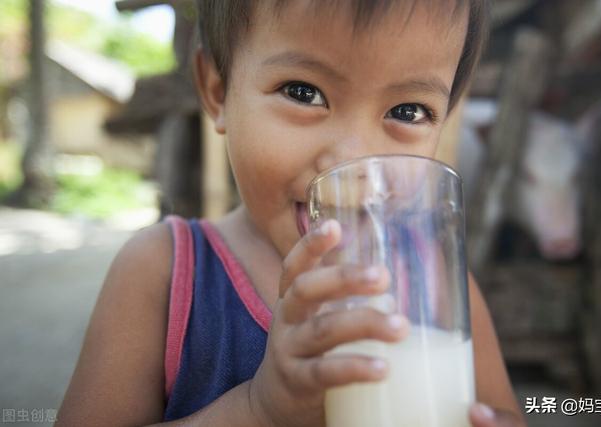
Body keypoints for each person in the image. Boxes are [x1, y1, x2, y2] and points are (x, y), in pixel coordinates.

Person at [56, 1, 526, 426]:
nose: (351, 161)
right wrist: (257, 410)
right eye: (303, 92)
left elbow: (500, 413)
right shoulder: (162, 271)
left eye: (407, 111)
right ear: (218, 91)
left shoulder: (440, 283)